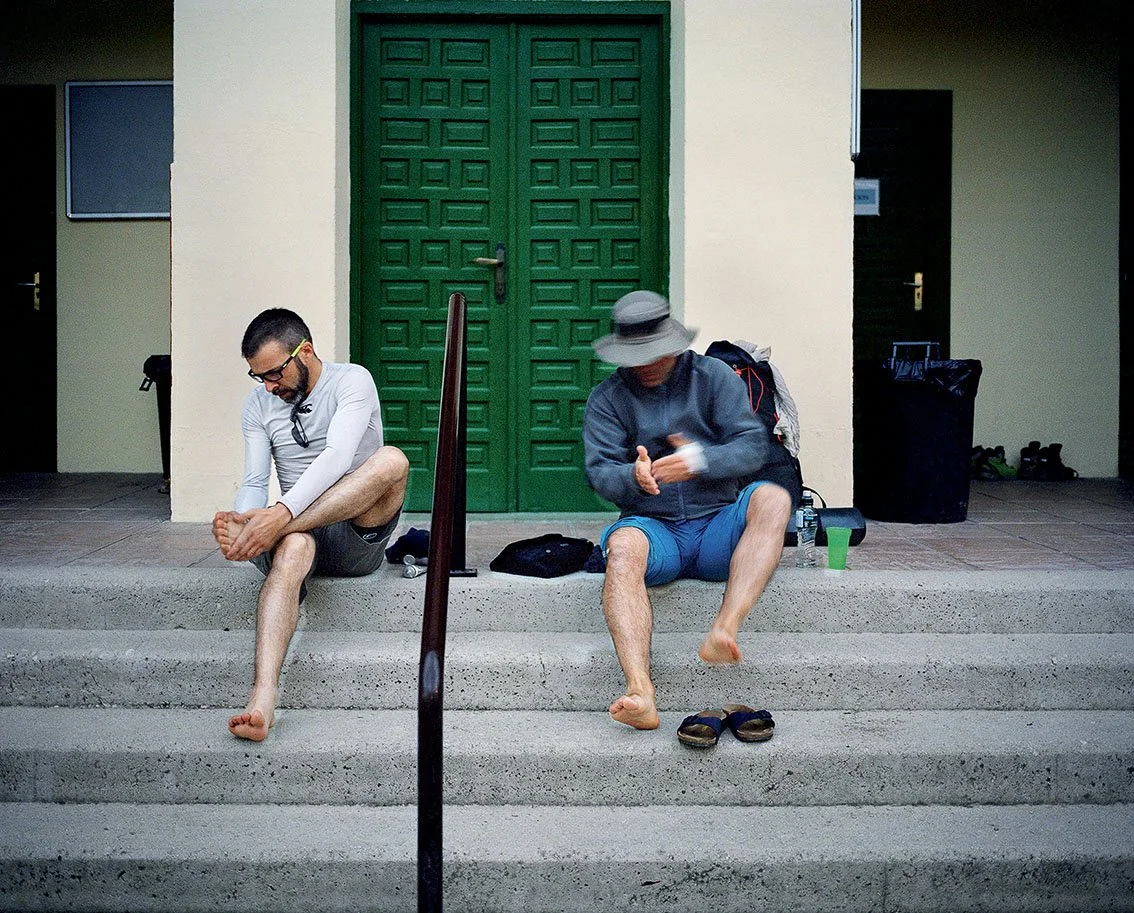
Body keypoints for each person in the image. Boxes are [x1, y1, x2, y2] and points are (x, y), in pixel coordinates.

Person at [583, 290, 793, 731]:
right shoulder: (607, 398)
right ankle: (640, 691)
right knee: (621, 546)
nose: (646, 363)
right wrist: (632, 477)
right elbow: (599, 472)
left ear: (674, 344)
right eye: (635, 355)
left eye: (654, 353)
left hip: (719, 521)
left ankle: (724, 631)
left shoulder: (714, 377)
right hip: (654, 529)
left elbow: (753, 445)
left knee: (774, 497)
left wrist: (701, 461)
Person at [212, 308, 409, 741]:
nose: (268, 386)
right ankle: (263, 697)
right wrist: (244, 519)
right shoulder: (258, 405)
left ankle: (281, 529)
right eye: (258, 377)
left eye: (275, 373)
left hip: (353, 535)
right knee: (296, 545)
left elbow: (339, 456)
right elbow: (254, 481)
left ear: (306, 351)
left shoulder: (352, 380)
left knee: (392, 461)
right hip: (293, 542)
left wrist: (275, 519)